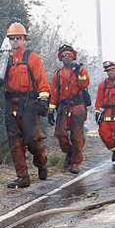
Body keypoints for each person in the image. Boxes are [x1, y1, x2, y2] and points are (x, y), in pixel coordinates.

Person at [0, 22, 51, 188]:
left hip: (28, 103)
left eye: (18, 38)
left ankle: (41, 162)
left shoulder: (32, 58)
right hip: (11, 103)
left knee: (32, 139)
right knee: (14, 142)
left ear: (24, 39)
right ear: (8, 40)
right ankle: (22, 177)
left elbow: (42, 81)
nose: (15, 41)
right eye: (12, 38)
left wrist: (44, 99)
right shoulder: (3, 60)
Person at [48, 43, 90, 174]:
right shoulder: (57, 74)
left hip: (78, 107)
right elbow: (54, 92)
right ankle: (70, 152)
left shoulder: (80, 70)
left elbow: (84, 84)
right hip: (63, 107)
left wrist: (79, 71)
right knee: (60, 133)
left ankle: (75, 162)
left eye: (69, 55)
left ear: (73, 57)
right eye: (64, 55)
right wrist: (51, 109)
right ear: (61, 58)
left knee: (77, 136)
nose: (66, 57)